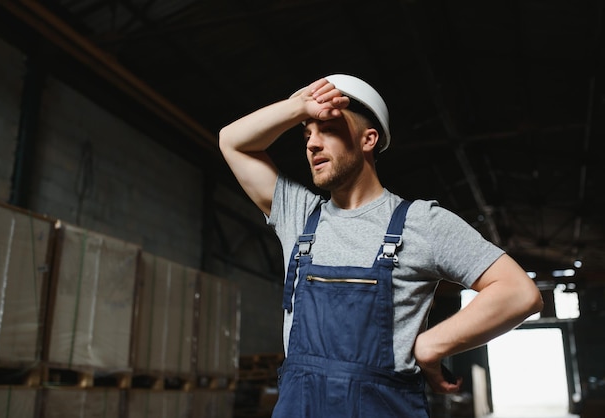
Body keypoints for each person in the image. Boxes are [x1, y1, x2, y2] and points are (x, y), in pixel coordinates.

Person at [219, 74, 543, 417]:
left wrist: (432, 345)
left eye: (327, 129)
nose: (312, 144)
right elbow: (232, 141)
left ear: (368, 139)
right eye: (307, 134)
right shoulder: (297, 214)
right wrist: (298, 106)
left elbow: (519, 293)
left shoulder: (422, 223)